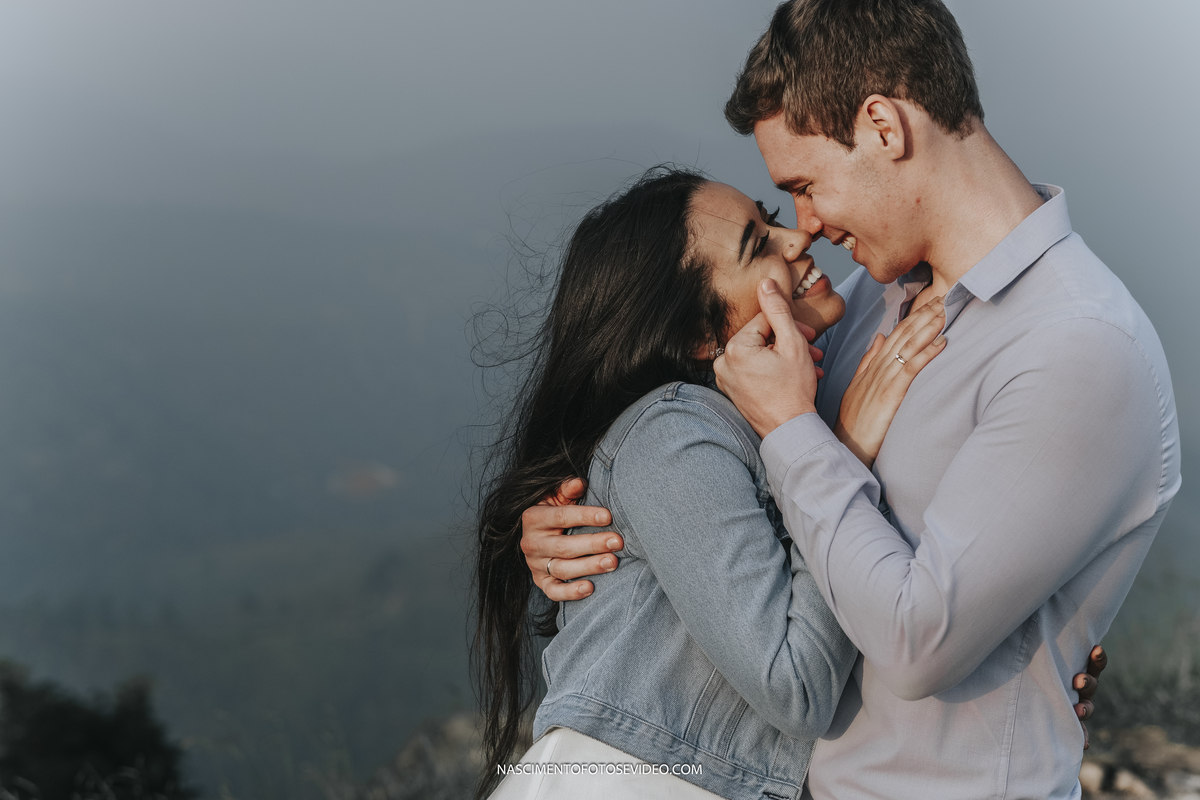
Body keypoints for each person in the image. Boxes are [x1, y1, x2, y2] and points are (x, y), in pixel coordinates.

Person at [516, 2, 1172, 799]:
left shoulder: (1077, 346)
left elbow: (915, 643)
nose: (808, 227)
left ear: (884, 127)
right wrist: (588, 525)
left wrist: (802, 434)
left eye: (806, 186)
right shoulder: (863, 307)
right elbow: (724, 494)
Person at [472, 166, 950, 800]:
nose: (795, 240)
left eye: (770, 221)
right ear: (700, 335)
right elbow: (795, 686)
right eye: (758, 245)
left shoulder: (763, 406)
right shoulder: (676, 434)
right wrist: (840, 451)